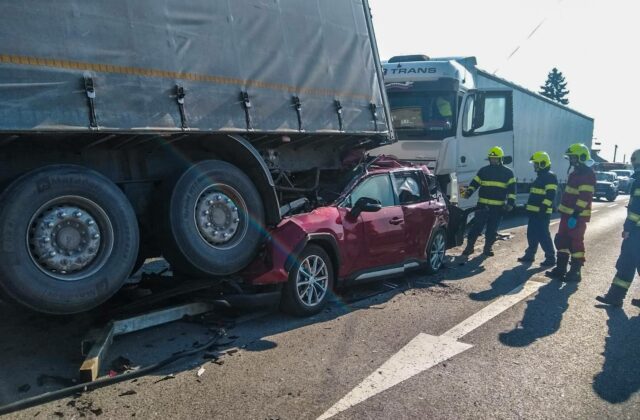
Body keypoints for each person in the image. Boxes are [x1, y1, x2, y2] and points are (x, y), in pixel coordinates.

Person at [545, 143, 596, 282]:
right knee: (562, 240)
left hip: (577, 216)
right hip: (567, 215)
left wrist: (575, 214)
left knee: (576, 243)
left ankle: (575, 272)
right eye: (570, 158)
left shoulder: (587, 174)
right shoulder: (574, 173)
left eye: (573, 158)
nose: (571, 160)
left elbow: (585, 196)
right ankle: (560, 269)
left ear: (581, 157)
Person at [596, 149, 640, 307]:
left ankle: (615, 297)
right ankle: (615, 297)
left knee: (628, 262)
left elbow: (636, 207)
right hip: (637, 232)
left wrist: (628, 227)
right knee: (627, 263)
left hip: (637, 232)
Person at [461, 146, 516, 257]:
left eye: (496, 158)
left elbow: (512, 190)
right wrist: (467, 193)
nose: (493, 160)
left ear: (501, 159)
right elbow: (474, 184)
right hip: (482, 206)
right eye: (492, 158)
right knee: (476, 227)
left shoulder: (508, 173)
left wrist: (510, 204)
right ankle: (469, 247)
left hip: (498, 208)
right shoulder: (483, 170)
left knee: (492, 230)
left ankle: (488, 248)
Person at [518, 151, 558, 266]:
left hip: (542, 213)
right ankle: (530, 255)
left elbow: (550, 194)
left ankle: (550, 258)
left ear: (542, 163)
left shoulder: (550, 176)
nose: (534, 166)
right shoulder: (541, 176)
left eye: (536, 164)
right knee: (532, 234)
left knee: (543, 235)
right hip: (534, 212)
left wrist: (543, 208)